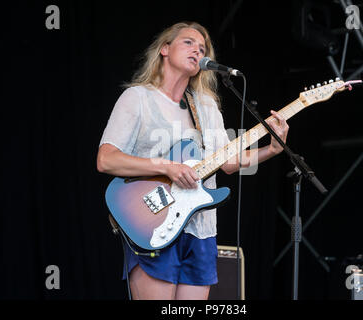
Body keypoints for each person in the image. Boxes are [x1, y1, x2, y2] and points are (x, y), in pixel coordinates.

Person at [97, 21, 289, 300]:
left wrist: (272, 149)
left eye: (203, 48)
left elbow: (228, 162)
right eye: (188, 42)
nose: (198, 50)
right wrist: (166, 167)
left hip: (201, 232)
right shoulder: (137, 98)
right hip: (154, 222)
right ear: (164, 49)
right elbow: (106, 160)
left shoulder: (207, 107)